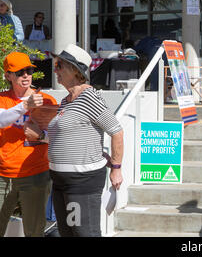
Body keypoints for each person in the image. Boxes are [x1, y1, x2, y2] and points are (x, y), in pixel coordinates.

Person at [48, 44, 124, 237]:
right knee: (68, 233)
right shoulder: (66, 100)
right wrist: (40, 136)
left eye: (59, 66)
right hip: (60, 180)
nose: (55, 70)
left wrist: (116, 168)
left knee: (84, 233)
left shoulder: (89, 97)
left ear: (75, 71)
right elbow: (67, 134)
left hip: (81, 182)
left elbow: (116, 131)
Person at [0, 52, 57, 237]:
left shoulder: (47, 101)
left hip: (35, 173)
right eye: (19, 72)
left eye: (29, 70)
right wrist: (25, 106)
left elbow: (57, 137)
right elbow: (2, 119)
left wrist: (41, 135)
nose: (26, 75)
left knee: (34, 232)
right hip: (2, 175)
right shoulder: (2, 99)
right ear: (8, 75)